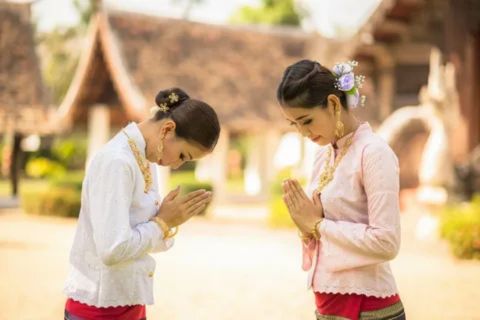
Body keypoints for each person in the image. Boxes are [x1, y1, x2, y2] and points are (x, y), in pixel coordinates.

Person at [64, 88, 220, 320]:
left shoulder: (145, 160)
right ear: (168, 129)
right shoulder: (117, 161)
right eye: (183, 156)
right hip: (98, 310)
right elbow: (112, 249)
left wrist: (168, 222)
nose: (177, 165)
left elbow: (143, 244)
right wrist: (161, 223)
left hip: (131, 302)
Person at [277, 59, 405, 320]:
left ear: (334, 104)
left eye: (306, 120)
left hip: (369, 309)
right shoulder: (323, 155)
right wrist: (306, 226)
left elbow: (387, 242)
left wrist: (318, 225)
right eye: (294, 124)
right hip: (328, 305)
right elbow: (322, 233)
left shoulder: (373, 153)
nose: (302, 132)